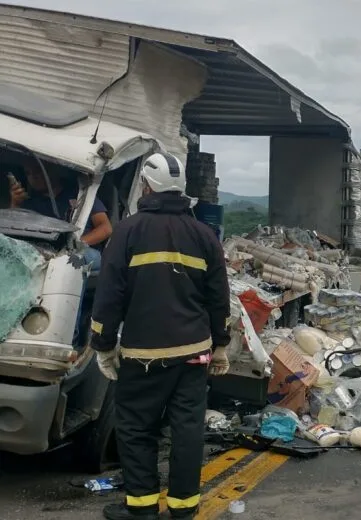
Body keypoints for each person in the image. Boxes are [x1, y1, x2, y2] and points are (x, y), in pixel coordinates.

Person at [89, 152, 232, 520]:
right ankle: (184, 508)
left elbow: (109, 295)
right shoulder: (204, 234)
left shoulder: (127, 231)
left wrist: (103, 345)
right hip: (194, 354)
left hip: (143, 355)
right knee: (187, 430)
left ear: (147, 186)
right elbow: (219, 297)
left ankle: (142, 508)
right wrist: (221, 345)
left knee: (137, 428)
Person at [8, 155, 112, 270]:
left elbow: (105, 228)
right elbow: (14, 235)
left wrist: (76, 245)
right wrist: (15, 203)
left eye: (38, 170)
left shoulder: (80, 194)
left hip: (84, 251)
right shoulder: (30, 203)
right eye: (28, 173)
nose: (33, 176)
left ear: (52, 170)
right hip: (44, 254)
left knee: (68, 263)